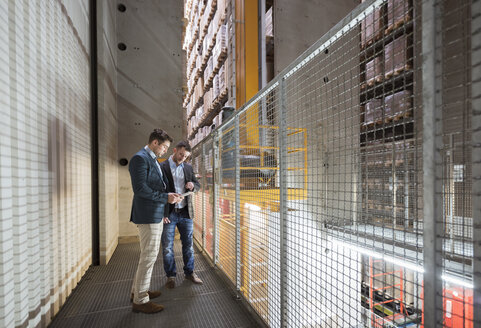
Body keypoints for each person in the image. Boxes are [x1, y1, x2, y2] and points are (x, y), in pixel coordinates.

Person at [129, 128, 181, 314]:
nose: (165, 151)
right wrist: (165, 198)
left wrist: (168, 195)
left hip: (155, 213)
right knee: (149, 257)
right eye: (164, 147)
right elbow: (141, 189)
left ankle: (138, 291)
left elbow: (155, 187)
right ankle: (141, 301)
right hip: (148, 214)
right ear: (155, 143)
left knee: (147, 256)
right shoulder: (140, 159)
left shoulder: (151, 159)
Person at [160, 141, 202, 288]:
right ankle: (170, 276)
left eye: (185, 157)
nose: (182, 158)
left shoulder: (188, 168)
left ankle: (190, 273)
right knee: (167, 247)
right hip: (169, 213)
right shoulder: (162, 167)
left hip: (185, 212)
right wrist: (162, 212)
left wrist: (193, 186)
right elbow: (158, 191)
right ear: (175, 150)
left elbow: (197, 185)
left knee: (188, 245)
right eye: (181, 155)